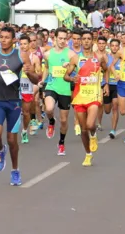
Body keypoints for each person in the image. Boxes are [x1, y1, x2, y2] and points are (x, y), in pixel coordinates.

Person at [0, 27, 39, 186]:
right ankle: (0, 150)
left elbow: (35, 79)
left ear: (14, 40)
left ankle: (15, 170)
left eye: (7, 37)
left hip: (14, 102)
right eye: (1, 37)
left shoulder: (21, 55)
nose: (4, 40)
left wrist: (30, 71)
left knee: (12, 141)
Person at [64, 31, 108, 166]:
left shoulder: (99, 58)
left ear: (92, 41)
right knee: (83, 129)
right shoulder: (76, 59)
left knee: (90, 125)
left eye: (89, 39)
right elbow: (66, 76)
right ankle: (88, 154)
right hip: (79, 96)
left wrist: (105, 84)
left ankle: (93, 135)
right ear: (81, 42)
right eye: (84, 39)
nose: (87, 41)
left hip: (94, 95)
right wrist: (72, 78)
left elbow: (105, 70)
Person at [40, 27, 77, 155]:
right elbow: (46, 68)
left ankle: (61, 142)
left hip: (65, 89)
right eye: (60, 38)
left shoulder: (71, 54)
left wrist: (70, 67)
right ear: (54, 38)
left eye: (64, 39)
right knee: (49, 109)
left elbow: (77, 70)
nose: (62, 41)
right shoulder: (48, 54)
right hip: (51, 86)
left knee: (64, 121)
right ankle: (51, 121)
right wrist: (43, 80)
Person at [18, 34, 41, 143]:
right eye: (21, 44)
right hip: (16, 86)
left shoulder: (34, 57)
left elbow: (39, 73)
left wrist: (31, 71)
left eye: (25, 44)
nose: (23, 46)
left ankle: (24, 130)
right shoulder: (15, 56)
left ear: (29, 44)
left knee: (26, 112)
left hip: (28, 86)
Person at [104, 39, 121, 138]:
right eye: (112, 45)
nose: (114, 47)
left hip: (118, 85)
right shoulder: (106, 57)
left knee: (115, 106)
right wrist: (105, 84)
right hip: (108, 84)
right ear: (109, 46)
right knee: (107, 110)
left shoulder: (122, 58)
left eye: (116, 45)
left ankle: (113, 130)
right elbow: (104, 71)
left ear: (119, 46)